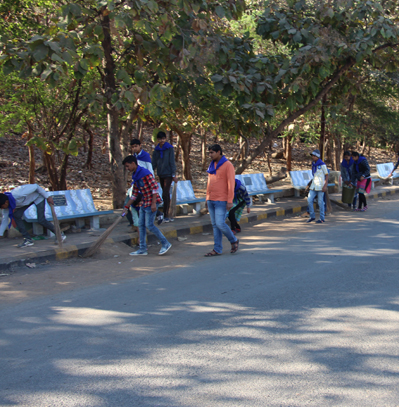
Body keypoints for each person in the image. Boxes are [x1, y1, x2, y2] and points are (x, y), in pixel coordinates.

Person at [122, 155, 172, 256]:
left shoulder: (145, 173)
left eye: (128, 166)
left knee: (149, 225)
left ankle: (165, 243)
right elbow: (135, 194)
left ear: (133, 163)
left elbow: (155, 188)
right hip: (145, 202)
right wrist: (126, 207)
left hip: (152, 201)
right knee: (141, 225)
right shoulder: (135, 175)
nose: (127, 169)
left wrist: (153, 203)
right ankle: (142, 249)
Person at [0, 184, 66, 247]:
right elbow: (5, 220)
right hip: (26, 202)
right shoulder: (6, 208)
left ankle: (60, 235)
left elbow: (36, 186)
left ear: (6, 202)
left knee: (41, 220)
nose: (2, 208)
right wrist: (0, 234)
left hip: (38, 198)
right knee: (16, 215)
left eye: (2, 206)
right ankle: (28, 239)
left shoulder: (18, 193)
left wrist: (47, 197)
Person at [205, 144, 239, 256]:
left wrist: (230, 200)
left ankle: (233, 240)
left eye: (212, 152)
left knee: (220, 224)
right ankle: (217, 249)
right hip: (211, 199)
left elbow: (231, 184)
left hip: (222, 200)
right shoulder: (212, 165)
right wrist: (207, 198)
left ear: (218, 152)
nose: (210, 155)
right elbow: (209, 182)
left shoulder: (227, 165)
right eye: (209, 153)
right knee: (215, 225)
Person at [130, 138, 163, 225]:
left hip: (146, 181)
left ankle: (157, 214)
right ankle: (137, 222)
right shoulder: (134, 156)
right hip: (138, 182)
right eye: (133, 147)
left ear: (140, 146)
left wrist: (151, 180)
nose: (135, 148)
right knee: (136, 201)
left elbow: (150, 169)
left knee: (143, 201)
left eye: (136, 146)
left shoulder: (145, 155)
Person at [152, 131, 177, 222]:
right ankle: (168, 213)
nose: (161, 140)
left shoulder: (169, 148)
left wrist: (174, 174)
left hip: (169, 174)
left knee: (165, 193)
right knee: (165, 193)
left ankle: (166, 214)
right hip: (161, 173)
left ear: (165, 139)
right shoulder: (156, 150)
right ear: (157, 140)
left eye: (163, 139)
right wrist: (151, 172)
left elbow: (172, 161)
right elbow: (154, 162)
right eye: (160, 139)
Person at [306, 149, 329, 224]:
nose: (313, 157)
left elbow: (326, 175)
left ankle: (322, 218)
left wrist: (325, 186)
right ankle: (312, 216)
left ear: (317, 157)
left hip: (320, 186)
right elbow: (314, 175)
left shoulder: (322, 165)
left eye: (314, 156)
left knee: (320, 202)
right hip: (313, 186)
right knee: (309, 200)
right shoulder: (313, 164)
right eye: (312, 156)